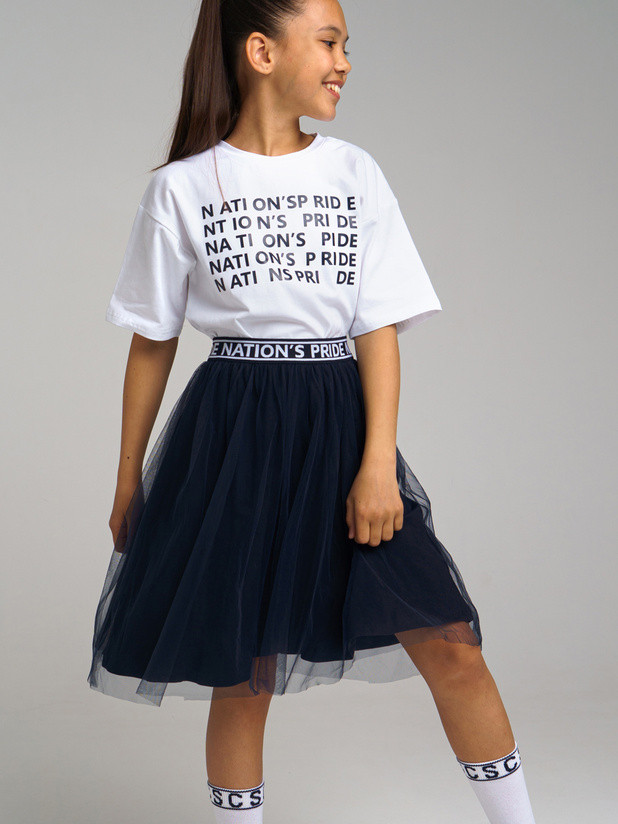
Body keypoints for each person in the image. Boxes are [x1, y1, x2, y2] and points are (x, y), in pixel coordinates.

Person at [87, 1, 537, 822]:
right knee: (244, 672)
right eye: (329, 42)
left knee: (453, 649)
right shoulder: (182, 188)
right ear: (261, 51)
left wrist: (378, 462)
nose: (345, 62)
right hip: (232, 437)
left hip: (340, 425)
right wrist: (127, 478)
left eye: (345, 45)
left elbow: (377, 328)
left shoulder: (354, 173)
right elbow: (152, 341)